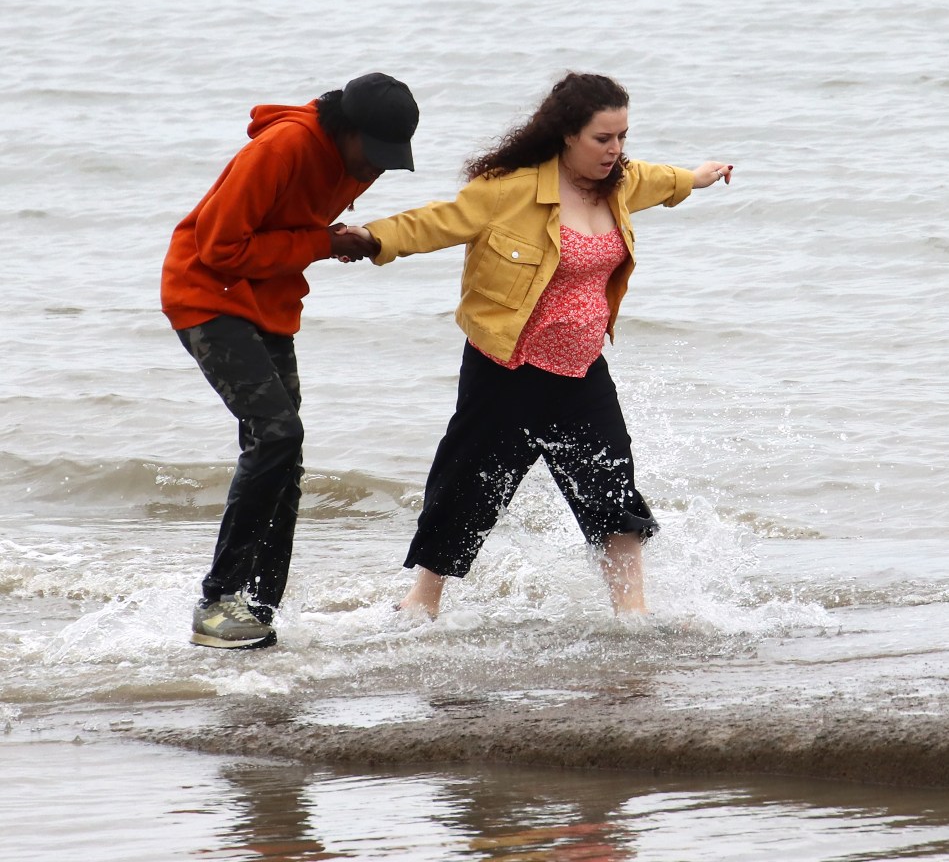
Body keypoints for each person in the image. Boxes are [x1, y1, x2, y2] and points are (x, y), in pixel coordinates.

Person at [345, 72, 732, 619]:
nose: (616, 150)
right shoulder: (511, 188)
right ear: (567, 134)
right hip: (507, 368)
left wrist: (698, 176)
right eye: (603, 138)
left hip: (580, 370)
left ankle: (633, 618)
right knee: (468, 490)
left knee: (614, 490)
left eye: (623, 136)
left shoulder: (617, 182)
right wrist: (371, 238)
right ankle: (420, 604)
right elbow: (440, 222)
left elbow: (660, 180)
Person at [160, 72, 420, 649]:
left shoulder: (356, 160)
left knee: (286, 455)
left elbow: (292, 228)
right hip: (207, 297)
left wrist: (331, 238)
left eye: (387, 160)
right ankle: (217, 601)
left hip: (266, 302)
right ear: (344, 130)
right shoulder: (280, 148)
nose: (372, 170)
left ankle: (258, 610)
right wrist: (325, 243)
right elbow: (219, 247)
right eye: (371, 155)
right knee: (275, 434)